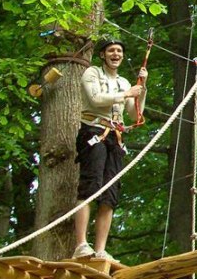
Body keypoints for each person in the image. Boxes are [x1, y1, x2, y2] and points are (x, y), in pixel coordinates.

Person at [72, 37, 147, 260]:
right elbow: (95, 100)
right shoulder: (92, 73)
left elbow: (135, 115)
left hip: (115, 137)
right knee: (90, 184)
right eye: (112, 51)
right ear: (103, 54)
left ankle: (101, 249)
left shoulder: (125, 82)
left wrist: (141, 90)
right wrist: (126, 94)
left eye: (119, 51)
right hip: (94, 131)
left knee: (110, 192)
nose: (116, 54)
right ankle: (81, 244)